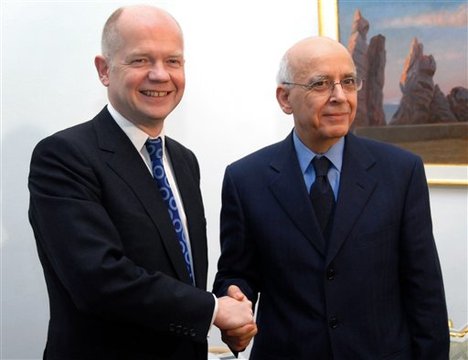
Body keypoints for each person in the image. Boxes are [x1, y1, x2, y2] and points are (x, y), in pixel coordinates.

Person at [28, 5, 255, 359]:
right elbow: (99, 281)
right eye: (140, 60)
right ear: (104, 70)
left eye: (173, 61)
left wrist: (230, 312)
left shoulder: (183, 160)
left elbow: (180, 276)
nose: (160, 75)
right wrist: (213, 310)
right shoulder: (63, 156)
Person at [213, 36, 450, 359]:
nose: (340, 96)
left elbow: (425, 293)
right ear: (285, 98)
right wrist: (235, 299)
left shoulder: (401, 172)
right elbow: (236, 272)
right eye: (321, 84)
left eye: (349, 82)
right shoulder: (246, 179)